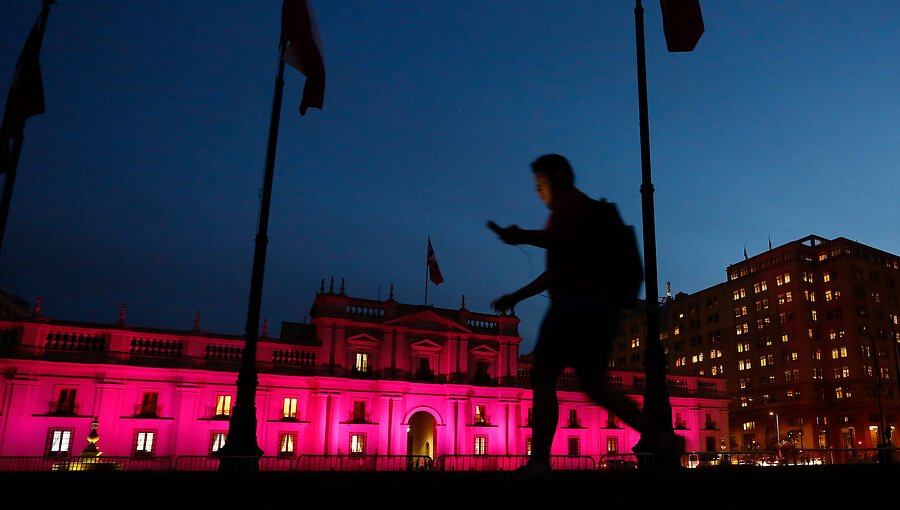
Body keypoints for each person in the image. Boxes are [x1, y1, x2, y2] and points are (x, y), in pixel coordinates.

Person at [487, 153, 683, 474]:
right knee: (595, 386)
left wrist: (521, 235)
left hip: (574, 306)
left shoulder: (571, 206)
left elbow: (565, 244)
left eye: (540, 184)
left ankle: (538, 462)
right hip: (600, 308)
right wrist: (518, 295)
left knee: (543, 374)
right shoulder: (580, 211)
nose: (538, 192)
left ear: (559, 178)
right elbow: (559, 267)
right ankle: (661, 436)